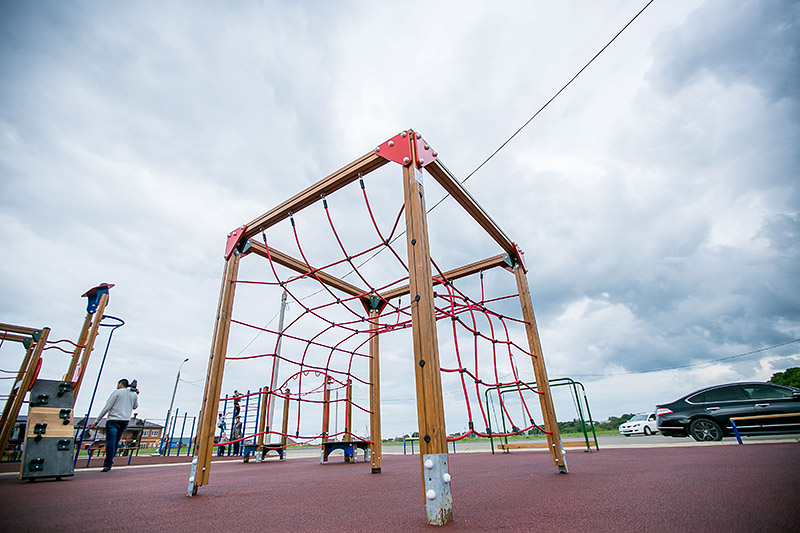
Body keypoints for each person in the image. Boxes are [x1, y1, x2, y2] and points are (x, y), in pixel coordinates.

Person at [90, 378, 139, 472]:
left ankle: (108, 463)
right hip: (125, 420)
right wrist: (136, 395)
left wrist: (97, 420)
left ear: (120, 384)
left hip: (113, 419)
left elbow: (107, 407)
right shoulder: (133, 394)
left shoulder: (116, 393)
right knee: (116, 441)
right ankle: (110, 460)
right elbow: (135, 406)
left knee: (111, 441)